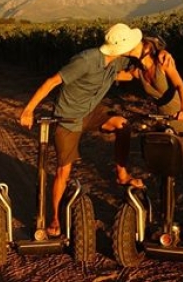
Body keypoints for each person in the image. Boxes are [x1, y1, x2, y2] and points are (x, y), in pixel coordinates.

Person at [19, 23, 169, 238]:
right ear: (120, 48)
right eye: (130, 45)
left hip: (91, 111)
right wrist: (29, 110)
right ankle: (54, 218)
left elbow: (134, 65)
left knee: (122, 125)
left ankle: (122, 174)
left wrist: (161, 54)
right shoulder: (85, 61)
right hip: (69, 116)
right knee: (64, 171)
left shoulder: (118, 60)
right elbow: (52, 81)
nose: (134, 47)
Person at [116, 35, 183, 241]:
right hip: (164, 124)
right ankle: (165, 220)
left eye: (140, 46)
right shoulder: (138, 71)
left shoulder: (163, 64)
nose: (134, 48)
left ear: (149, 48)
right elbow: (116, 74)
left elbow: (180, 87)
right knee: (164, 173)